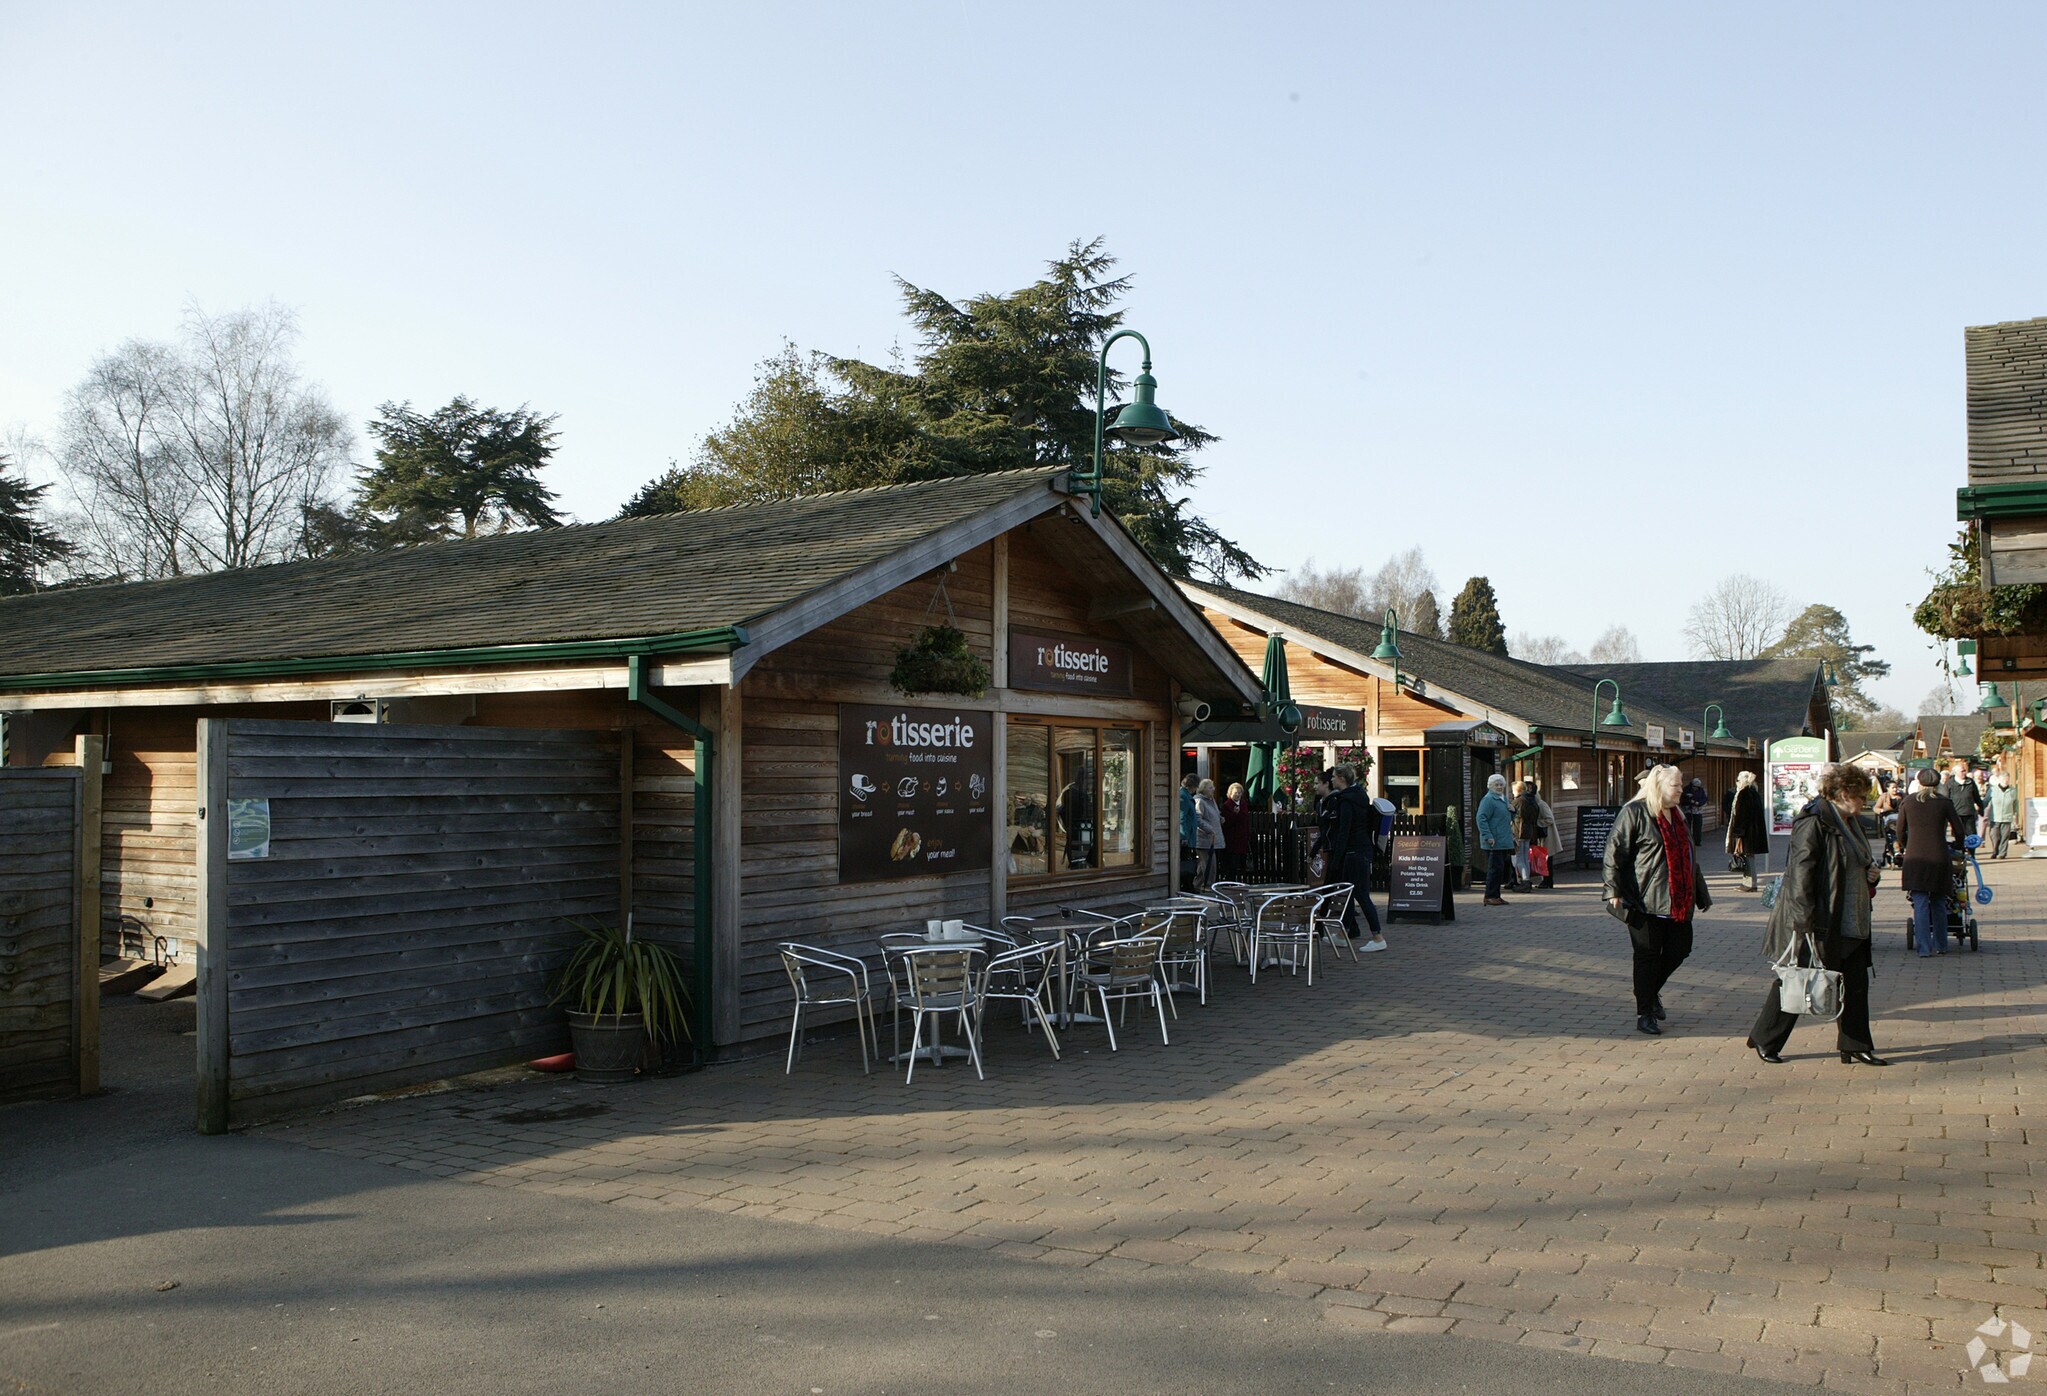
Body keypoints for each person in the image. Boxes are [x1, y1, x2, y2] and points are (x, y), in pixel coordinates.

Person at [1747, 762, 1886, 1065]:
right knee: (1801, 977)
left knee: (1855, 982)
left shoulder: (1850, 821)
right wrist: (1803, 921)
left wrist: (1871, 874)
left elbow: (1857, 862)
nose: (1864, 802)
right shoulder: (1815, 821)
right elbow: (1801, 874)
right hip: (1823, 917)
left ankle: (1855, 1044)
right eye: (1861, 796)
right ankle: (1765, 1038)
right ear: (1844, 792)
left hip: (1853, 915)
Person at [1603, 765, 1711, 1036]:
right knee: (1647, 956)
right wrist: (1612, 890)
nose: (1681, 790)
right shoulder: (1635, 813)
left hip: (1678, 900)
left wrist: (1701, 894)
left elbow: (1691, 860)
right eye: (1676, 786)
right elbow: (1614, 853)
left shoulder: (1679, 816)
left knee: (1680, 949)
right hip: (1644, 900)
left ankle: (1649, 992)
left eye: (1681, 785)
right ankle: (1645, 1012)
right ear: (1660, 787)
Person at [1897, 766, 1967, 956]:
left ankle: (1924, 948)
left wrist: (1905, 845)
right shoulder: (1944, 803)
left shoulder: (1908, 802)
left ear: (1919, 782)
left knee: (1919, 902)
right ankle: (1941, 945)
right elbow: (1959, 829)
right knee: (1938, 901)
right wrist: (1959, 845)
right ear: (1938, 783)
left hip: (1915, 857)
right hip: (1939, 855)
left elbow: (1899, 830)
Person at [1325, 764, 1388, 951]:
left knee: (1360, 894)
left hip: (1353, 852)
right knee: (1350, 893)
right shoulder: (1360, 796)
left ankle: (1378, 937)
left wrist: (1336, 859)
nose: (1332, 780)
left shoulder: (1345, 802)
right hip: (1362, 850)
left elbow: (1344, 831)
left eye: (1334, 777)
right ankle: (1342, 934)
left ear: (1342, 779)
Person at [1726, 770, 1769, 892]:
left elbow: (1741, 815)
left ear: (1742, 781)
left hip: (1746, 833)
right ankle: (1747, 882)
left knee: (1746, 856)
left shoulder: (1743, 794)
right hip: (1752, 831)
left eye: (1738, 781)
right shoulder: (1753, 792)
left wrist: (1738, 833)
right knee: (1748, 856)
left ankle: (1750, 884)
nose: (1737, 783)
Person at [1477, 773, 1515, 906]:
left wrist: (1512, 811)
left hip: (1503, 840)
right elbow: (1481, 818)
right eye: (1496, 785)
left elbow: (1507, 819)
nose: (1499, 787)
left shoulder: (1503, 799)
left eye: (1501, 785)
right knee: (1494, 868)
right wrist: (1488, 836)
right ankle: (1490, 895)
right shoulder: (1488, 800)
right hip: (1494, 841)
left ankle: (1496, 895)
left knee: (1500, 869)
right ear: (1490, 786)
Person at [1511, 779, 1543, 891]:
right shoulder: (1533, 800)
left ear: (1518, 790)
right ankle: (1527, 881)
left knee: (1519, 859)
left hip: (1518, 832)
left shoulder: (1518, 801)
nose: (1512, 793)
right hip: (1529, 832)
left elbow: (1510, 815)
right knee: (1525, 858)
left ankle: (1525, 882)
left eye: (1513, 790)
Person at [1194, 778, 1225, 888]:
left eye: (1213, 787)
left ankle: (1204, 887)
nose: (1213, 789)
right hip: (1203, 839)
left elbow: (1213, 815)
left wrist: (1220, 818)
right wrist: (1209, 828)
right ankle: (1201, 887)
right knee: (1206, 867)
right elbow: (1197, 819)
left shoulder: (1211, 800)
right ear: (1203, 789)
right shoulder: (1199, 801)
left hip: (1212, 840)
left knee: (1210, 867)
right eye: (1210, 787)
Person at [1219, 780, 1252, 880]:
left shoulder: (1243, 804)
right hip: (1232, 838)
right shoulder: (1227, 805)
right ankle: (1230, 880)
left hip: (1242, 838)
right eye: (1235, 793)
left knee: (1241, 862)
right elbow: (1226, 822)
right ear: (1230, 793)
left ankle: (1241, 880)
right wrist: (1234, 814)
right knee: (1231, 862)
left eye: (1239, 792)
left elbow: (1245, 819)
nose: (1238, 795)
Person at [1941, 759, 1982, 833]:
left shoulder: (1970, 782)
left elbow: (1976, 797)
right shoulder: (1950, 783)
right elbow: (1945, 798)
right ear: (1956, 773)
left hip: (1969, 813)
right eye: (1962, 771)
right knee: (1958, 835)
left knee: (1971, 836)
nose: (1964, 772)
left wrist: (1981, 808)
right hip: (1956, 814)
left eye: (1964, 770)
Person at [1533, 784, 1562, 888]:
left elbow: (1550, 819)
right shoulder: (1537, 804)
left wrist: (1536, 822)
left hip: (1547, 836)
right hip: (1542, 836)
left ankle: (1548, 881)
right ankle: (1546, 881)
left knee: (1547, 859)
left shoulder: (1541, 804)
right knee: (1544, 859)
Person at [1987, 772, 2019, 859]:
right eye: (2004, 779)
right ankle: (1995, 850)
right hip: (1995, 817)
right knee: (1994, 836)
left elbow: (2015, 803)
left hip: (2007, 817)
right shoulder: (1993, 789)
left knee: (2005, 836)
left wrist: (2015, 814)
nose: (2005, 781)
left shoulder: (2013, 790)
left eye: (2007, 780)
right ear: (1999, 780)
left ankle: (2002, 853)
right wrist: (1980, 808)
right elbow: (1986, 801)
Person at [1178, 773, 1200, 884]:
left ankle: (1188, 884)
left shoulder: (1186, 795)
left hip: (1188, 835)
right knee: (1186, 862)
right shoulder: (1183, 796)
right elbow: (1182, 817)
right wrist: (1184, 837)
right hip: (1185, 838)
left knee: (1188, 860)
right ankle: (1186, 885)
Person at [1681, 777, 1708, 847]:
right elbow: (1682, 799)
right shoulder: (1686, 789)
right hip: (1688, 810)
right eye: (1694, 787)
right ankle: (1687, 841)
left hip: (1697, 811)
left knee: (1698, 826)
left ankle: (1697, 841)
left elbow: (1704, 799)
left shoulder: (1701, 790)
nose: (1696, 788)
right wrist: (1689, 801)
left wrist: (1699, 803)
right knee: (1687, 826)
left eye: (1697, 787)